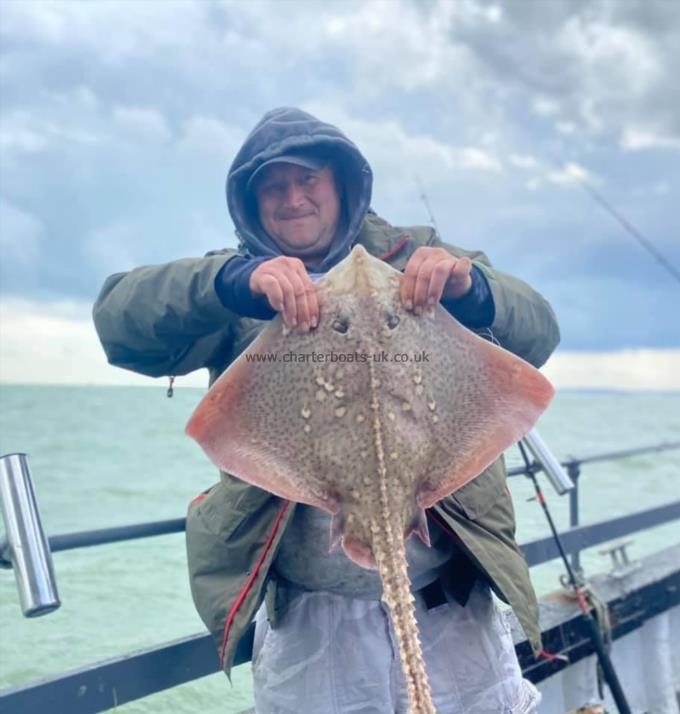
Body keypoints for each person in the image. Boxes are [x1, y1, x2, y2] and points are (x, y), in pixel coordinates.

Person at [93, 107, 560, 713]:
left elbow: (538, 330)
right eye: (273, 186)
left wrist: (473, 291)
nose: (292, 198)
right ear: (251, 201)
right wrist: (231, 283)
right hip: (313, 616)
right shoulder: (239, 287)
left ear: (341, 184)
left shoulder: (417, 255)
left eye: (307, 179)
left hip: (448, 600)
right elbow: (119, 325)